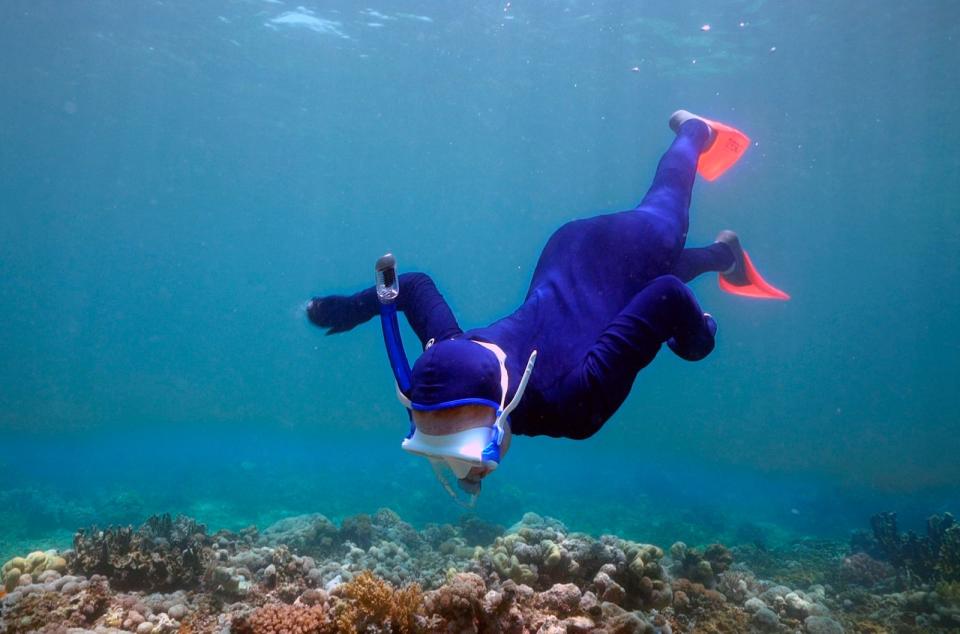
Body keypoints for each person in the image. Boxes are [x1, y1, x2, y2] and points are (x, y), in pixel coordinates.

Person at [306, 110, 788, 504]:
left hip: (614, 247)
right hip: (566, 258)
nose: (462, 470)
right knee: (635, 284)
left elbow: (667, 294)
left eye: (457, 451)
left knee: (663, 220)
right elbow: (409, 287)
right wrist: (348, 310)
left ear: (501, 411)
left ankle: (693, 131)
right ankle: (728, 254)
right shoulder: (447, 353)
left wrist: (698, 338)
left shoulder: (573, 402)